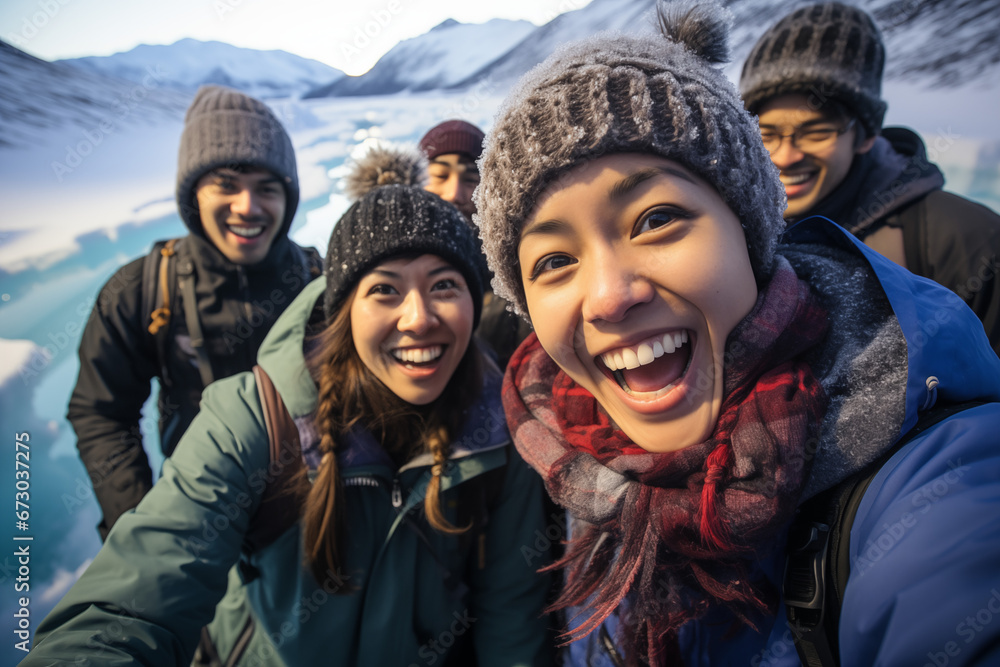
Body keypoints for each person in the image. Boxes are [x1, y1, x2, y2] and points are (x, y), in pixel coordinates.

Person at [473, 1, 1000, 665]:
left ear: (750, 234)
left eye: (656, 218)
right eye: (554, 261)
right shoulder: (587, 454)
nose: (608, 297)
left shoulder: (930, 486)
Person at [25, 146, 553, 666]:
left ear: (473, 299)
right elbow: (135, 600)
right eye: (385, 290)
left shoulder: (502, 429)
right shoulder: (252, 420)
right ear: (343, 310)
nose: (418, 317)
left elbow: (513, 613)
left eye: (444, 285)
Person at [68, 84, 322, 539]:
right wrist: (139, 520)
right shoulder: (142, 289)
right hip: (197, 513)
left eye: (267, 188)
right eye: (225, 184)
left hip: (311, 515)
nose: (248, 207)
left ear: (288, 199)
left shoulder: (319, 279)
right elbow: (101, 412)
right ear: (192, 194)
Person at [739, 2, 1000, 354]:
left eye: (815, 132)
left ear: (865, 135)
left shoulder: (964, 239)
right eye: (766, 134)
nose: (786, 156)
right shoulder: (736, 230)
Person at [419, 119, 532, 368]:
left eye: (471, 178)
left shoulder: (515, 275)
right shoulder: (383, 257)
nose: (454, 195)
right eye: (439, 175)